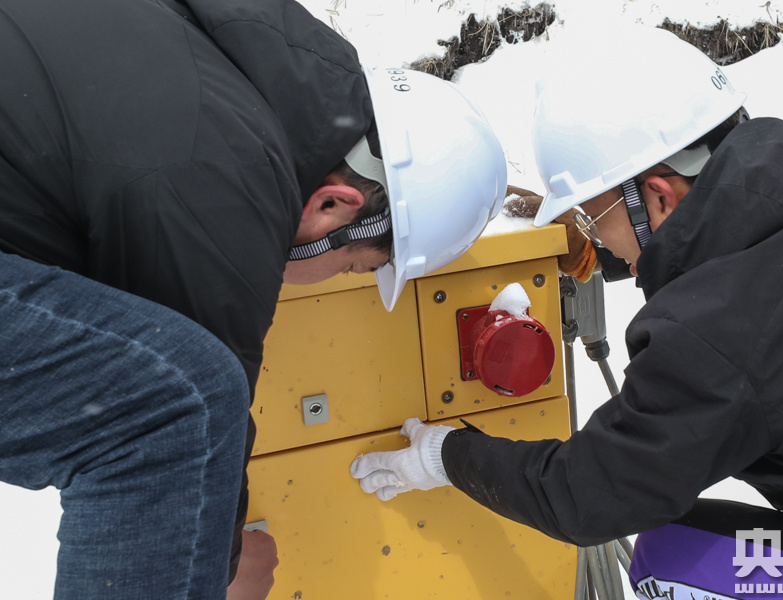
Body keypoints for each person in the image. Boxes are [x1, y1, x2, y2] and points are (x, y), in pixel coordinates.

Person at [351, 24, 783, 599]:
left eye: (593, 220)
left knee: (674, 556)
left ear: (658, 196)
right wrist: (605, 253)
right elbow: (738, 240)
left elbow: (587, 496)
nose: (596, 239)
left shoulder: (712, 339)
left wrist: (445, 456)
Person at [0, 0, 506, 598]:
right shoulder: (224, 175)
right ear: (334, 207)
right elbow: (190, 409)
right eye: (353, 265)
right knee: (172, 412)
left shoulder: (241, 70)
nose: (338, 276)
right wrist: (225, 566)